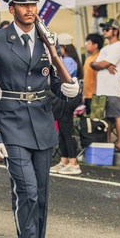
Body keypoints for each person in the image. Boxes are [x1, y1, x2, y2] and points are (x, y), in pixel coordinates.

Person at [0, 0, 79, 238]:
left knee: (41, 201)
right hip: (11, 124)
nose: (30, 10)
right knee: (27, 193)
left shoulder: (47, 39)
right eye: (23, 5)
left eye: (33, 4)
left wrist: (68, 92)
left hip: (41, 124)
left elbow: (55, 84)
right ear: (12, 9)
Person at [89, 20, 120, 152]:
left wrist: (103, 65)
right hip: (102, 88)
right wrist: (101, 64)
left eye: (107, 29)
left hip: (112, 87)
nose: (104, 31)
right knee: (105, 118)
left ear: (115, 31)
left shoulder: (119, 46)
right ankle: (107, 142)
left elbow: (101, 64)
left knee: (116, 115)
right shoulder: (105, 49)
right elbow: (93, 64)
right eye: (103, 29)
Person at [52, 35, 84, 175]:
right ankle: (64, 160)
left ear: (63, 47)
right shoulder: (69, 59)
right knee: (63, 129)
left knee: (66, 129)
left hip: (68, 97)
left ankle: (73, 162)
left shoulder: (68, 61)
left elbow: (64, 76)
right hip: (65, 97)